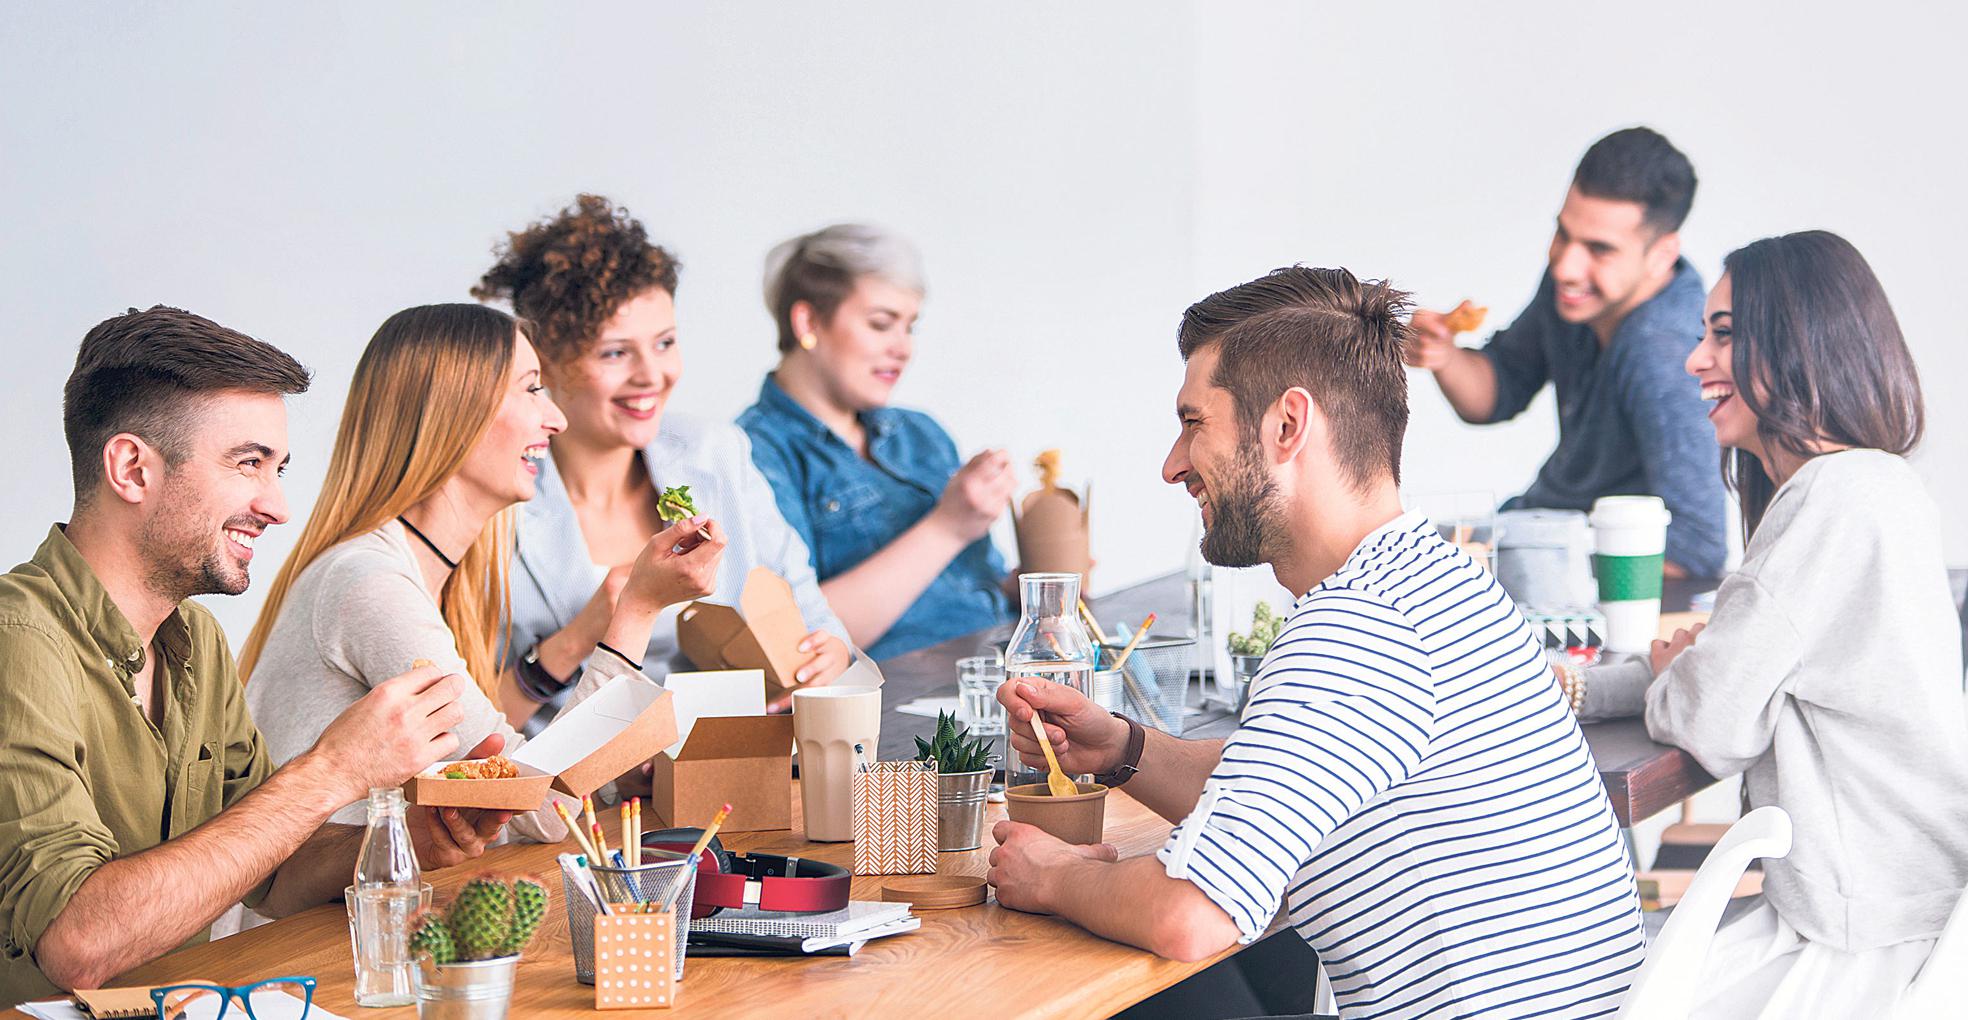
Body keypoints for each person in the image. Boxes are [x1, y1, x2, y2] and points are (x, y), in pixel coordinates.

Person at [990, 268, 1643, 1017]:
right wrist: (1122, 750)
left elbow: (1191, 914)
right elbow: (1293, 785)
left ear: (1288, 426)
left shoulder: (1356, 632)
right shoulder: (1435, 583)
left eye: (1194, 422)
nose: (1172, 465)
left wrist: (1052, 876)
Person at [0, 307, 492, 1007]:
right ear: (133, 468)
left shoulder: (194, 639)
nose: (279, 505)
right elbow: (77, 943)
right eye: (249, 464)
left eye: (278, 467)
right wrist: (334, 770)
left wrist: (402, 838)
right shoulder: (17, 640)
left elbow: (273, 872)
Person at [1574, 231, 1968, 1016]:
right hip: (1910, 914)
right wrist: (1584, 687)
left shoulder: (1829, 503)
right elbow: (1705, 662)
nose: (1695, 361)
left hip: (1862, 944)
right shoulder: (1874, 489)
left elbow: (1713, 718)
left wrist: (1676, 673)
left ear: (1798, 344)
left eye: (1723, 334)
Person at [237, 305, 723, 849]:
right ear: (453, 413)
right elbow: (537, 806)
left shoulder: (430, 577)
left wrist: (614, 775)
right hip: (311, 931)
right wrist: (637, 609)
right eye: (532, 389)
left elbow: (506, 780)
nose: (556, 420)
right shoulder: (370, 584)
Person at [473, 195, 851, 720]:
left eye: (665, 342)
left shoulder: (716, 453)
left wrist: (828, 659)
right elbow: (475, 728)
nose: (653, 375)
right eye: (615, 352)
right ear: (547, 362)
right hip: (575, 793)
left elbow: (819, 624)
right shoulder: (495, 499)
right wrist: (583, 633)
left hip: (730, 772)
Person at [1405, 126, 1726, 578]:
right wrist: (1445, 356)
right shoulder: (1573, 290)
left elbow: (1697, 548)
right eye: (1563, 233)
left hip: (1563, 574)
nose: (1567, 265)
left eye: (1600, 250)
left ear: (1661, 254)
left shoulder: (1664, 352)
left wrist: (1537, 573)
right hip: (1528, 529)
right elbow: (1499, 391)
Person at [737, 224, 1014, 658]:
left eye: (910, 327)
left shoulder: (920, 432)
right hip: (904, 705)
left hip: (1002, 668)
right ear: (807, 322)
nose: (903, 348)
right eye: (881, 324)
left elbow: (982, 585)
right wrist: (947, 527)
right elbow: (792, 640)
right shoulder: (752, 454)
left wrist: (1044, 583)